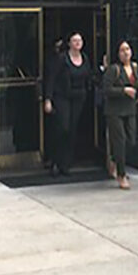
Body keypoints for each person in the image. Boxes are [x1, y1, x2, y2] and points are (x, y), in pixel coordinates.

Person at [43, 32, 93, 176]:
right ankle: (54, 160)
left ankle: (65, 164)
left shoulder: (85, 58)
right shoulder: (61, 59)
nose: (78, 43)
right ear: (69, 43)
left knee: (72, 130)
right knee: (62, 128)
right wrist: (48, 99)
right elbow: (51, 79)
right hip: (62, 97)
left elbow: (89, 76)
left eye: (80, 40)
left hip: (79, 98)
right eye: (74, 40)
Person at [102, 40, 138, 190]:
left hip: (130, 109)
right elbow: (106, 89)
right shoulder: (114, 69)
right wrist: (123, 91)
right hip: (115, 111)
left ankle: (114, 158)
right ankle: (121, 174)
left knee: (131, 140)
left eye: (127, 49)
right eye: (122, 50)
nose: (125, 52)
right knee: (119, 141)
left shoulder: (134, 67)